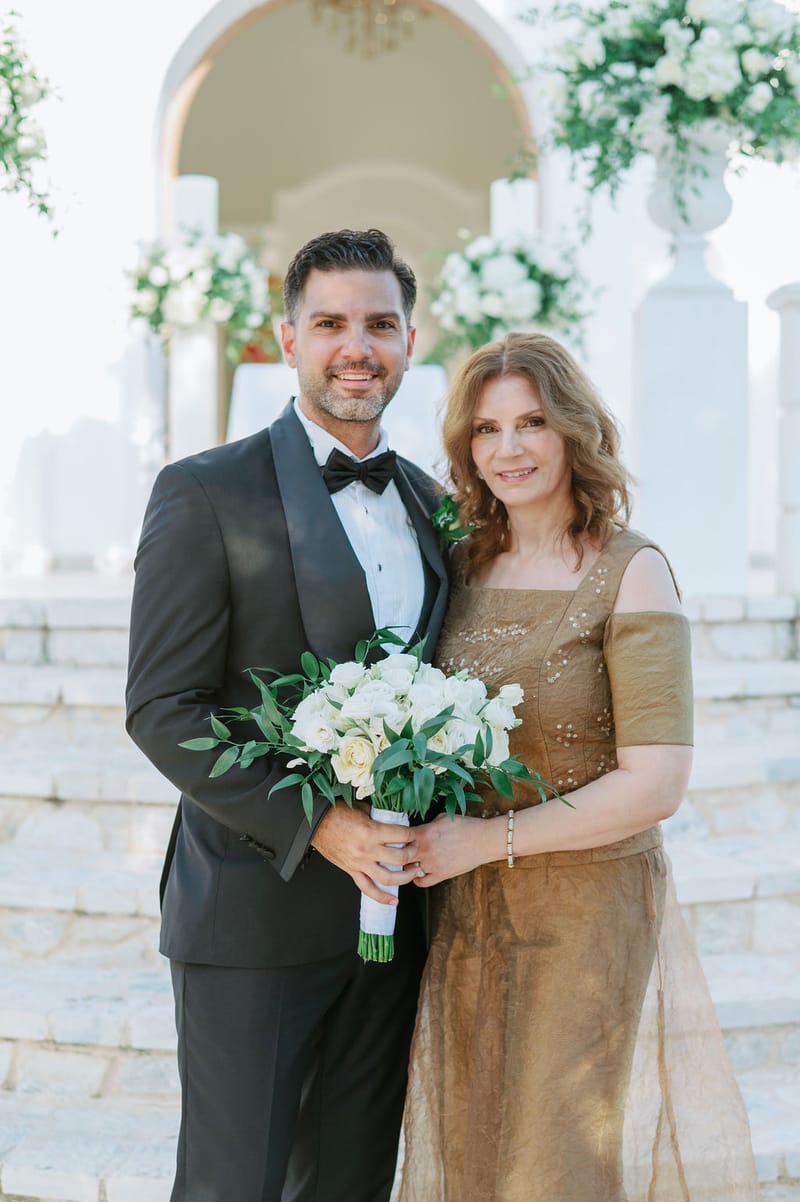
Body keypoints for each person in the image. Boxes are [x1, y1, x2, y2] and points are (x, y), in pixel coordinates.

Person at [397, 333, 760, 1202]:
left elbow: (657, 783)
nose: (508, 449)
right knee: (468, 1139)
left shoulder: (631, 572)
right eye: (486, 430)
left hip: (584, 909)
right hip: (462, 905)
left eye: (532, 422)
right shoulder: (458, 562)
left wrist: (484, 842)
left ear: (575, 430)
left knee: (554, 1157)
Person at [125, 228, 448, 1202]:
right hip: (251, 917)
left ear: (409, 338)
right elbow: (161, 708)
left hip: (392, 932)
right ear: (286, 337)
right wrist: (320, 822)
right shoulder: (204, 491)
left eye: (380, 323)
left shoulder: (435, 505)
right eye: (330, 323)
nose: (357, 345)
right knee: (233, 1185)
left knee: (350, 1184)